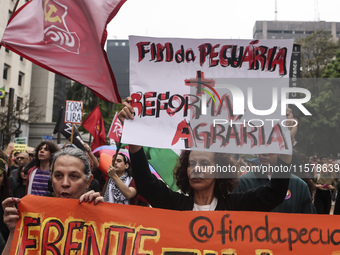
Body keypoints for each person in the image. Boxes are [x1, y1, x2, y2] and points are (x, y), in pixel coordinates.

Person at [118, 98, 295, 211]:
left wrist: (285, 143)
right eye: (192, 164)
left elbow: (275, 193)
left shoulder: (236, 206)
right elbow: (145, 183)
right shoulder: (174, 205)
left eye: (204, 163)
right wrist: (133, 134)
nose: (196, 170)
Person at [2, 147, 103, 255]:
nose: (64, 183)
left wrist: (102, 217)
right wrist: (14, 231)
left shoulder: (99, 216)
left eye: (73, 176)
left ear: (88, 181)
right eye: (58, 176)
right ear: (51, 178)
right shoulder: (34, 215)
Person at [235, 153, 316, 214]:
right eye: (262, 147)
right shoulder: (243, 182)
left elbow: (309, 222)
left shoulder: (299, 185)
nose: (264, 153)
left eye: (271, 148)